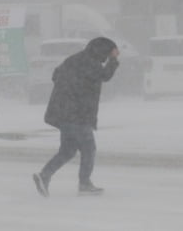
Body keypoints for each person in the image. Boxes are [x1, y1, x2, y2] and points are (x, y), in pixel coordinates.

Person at [33, 37, 120, 197]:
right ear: (102, 51)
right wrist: (113, 60)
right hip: (77, 114)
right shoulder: (90, 63)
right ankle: (84, 184)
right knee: (89, 148)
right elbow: (105, 75)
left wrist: (68, 89)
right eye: (108, 53)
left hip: (63, 113)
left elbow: (55, 75)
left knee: (67, 151)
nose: (107, 57)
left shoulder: (74, 59)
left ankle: (44, 175)